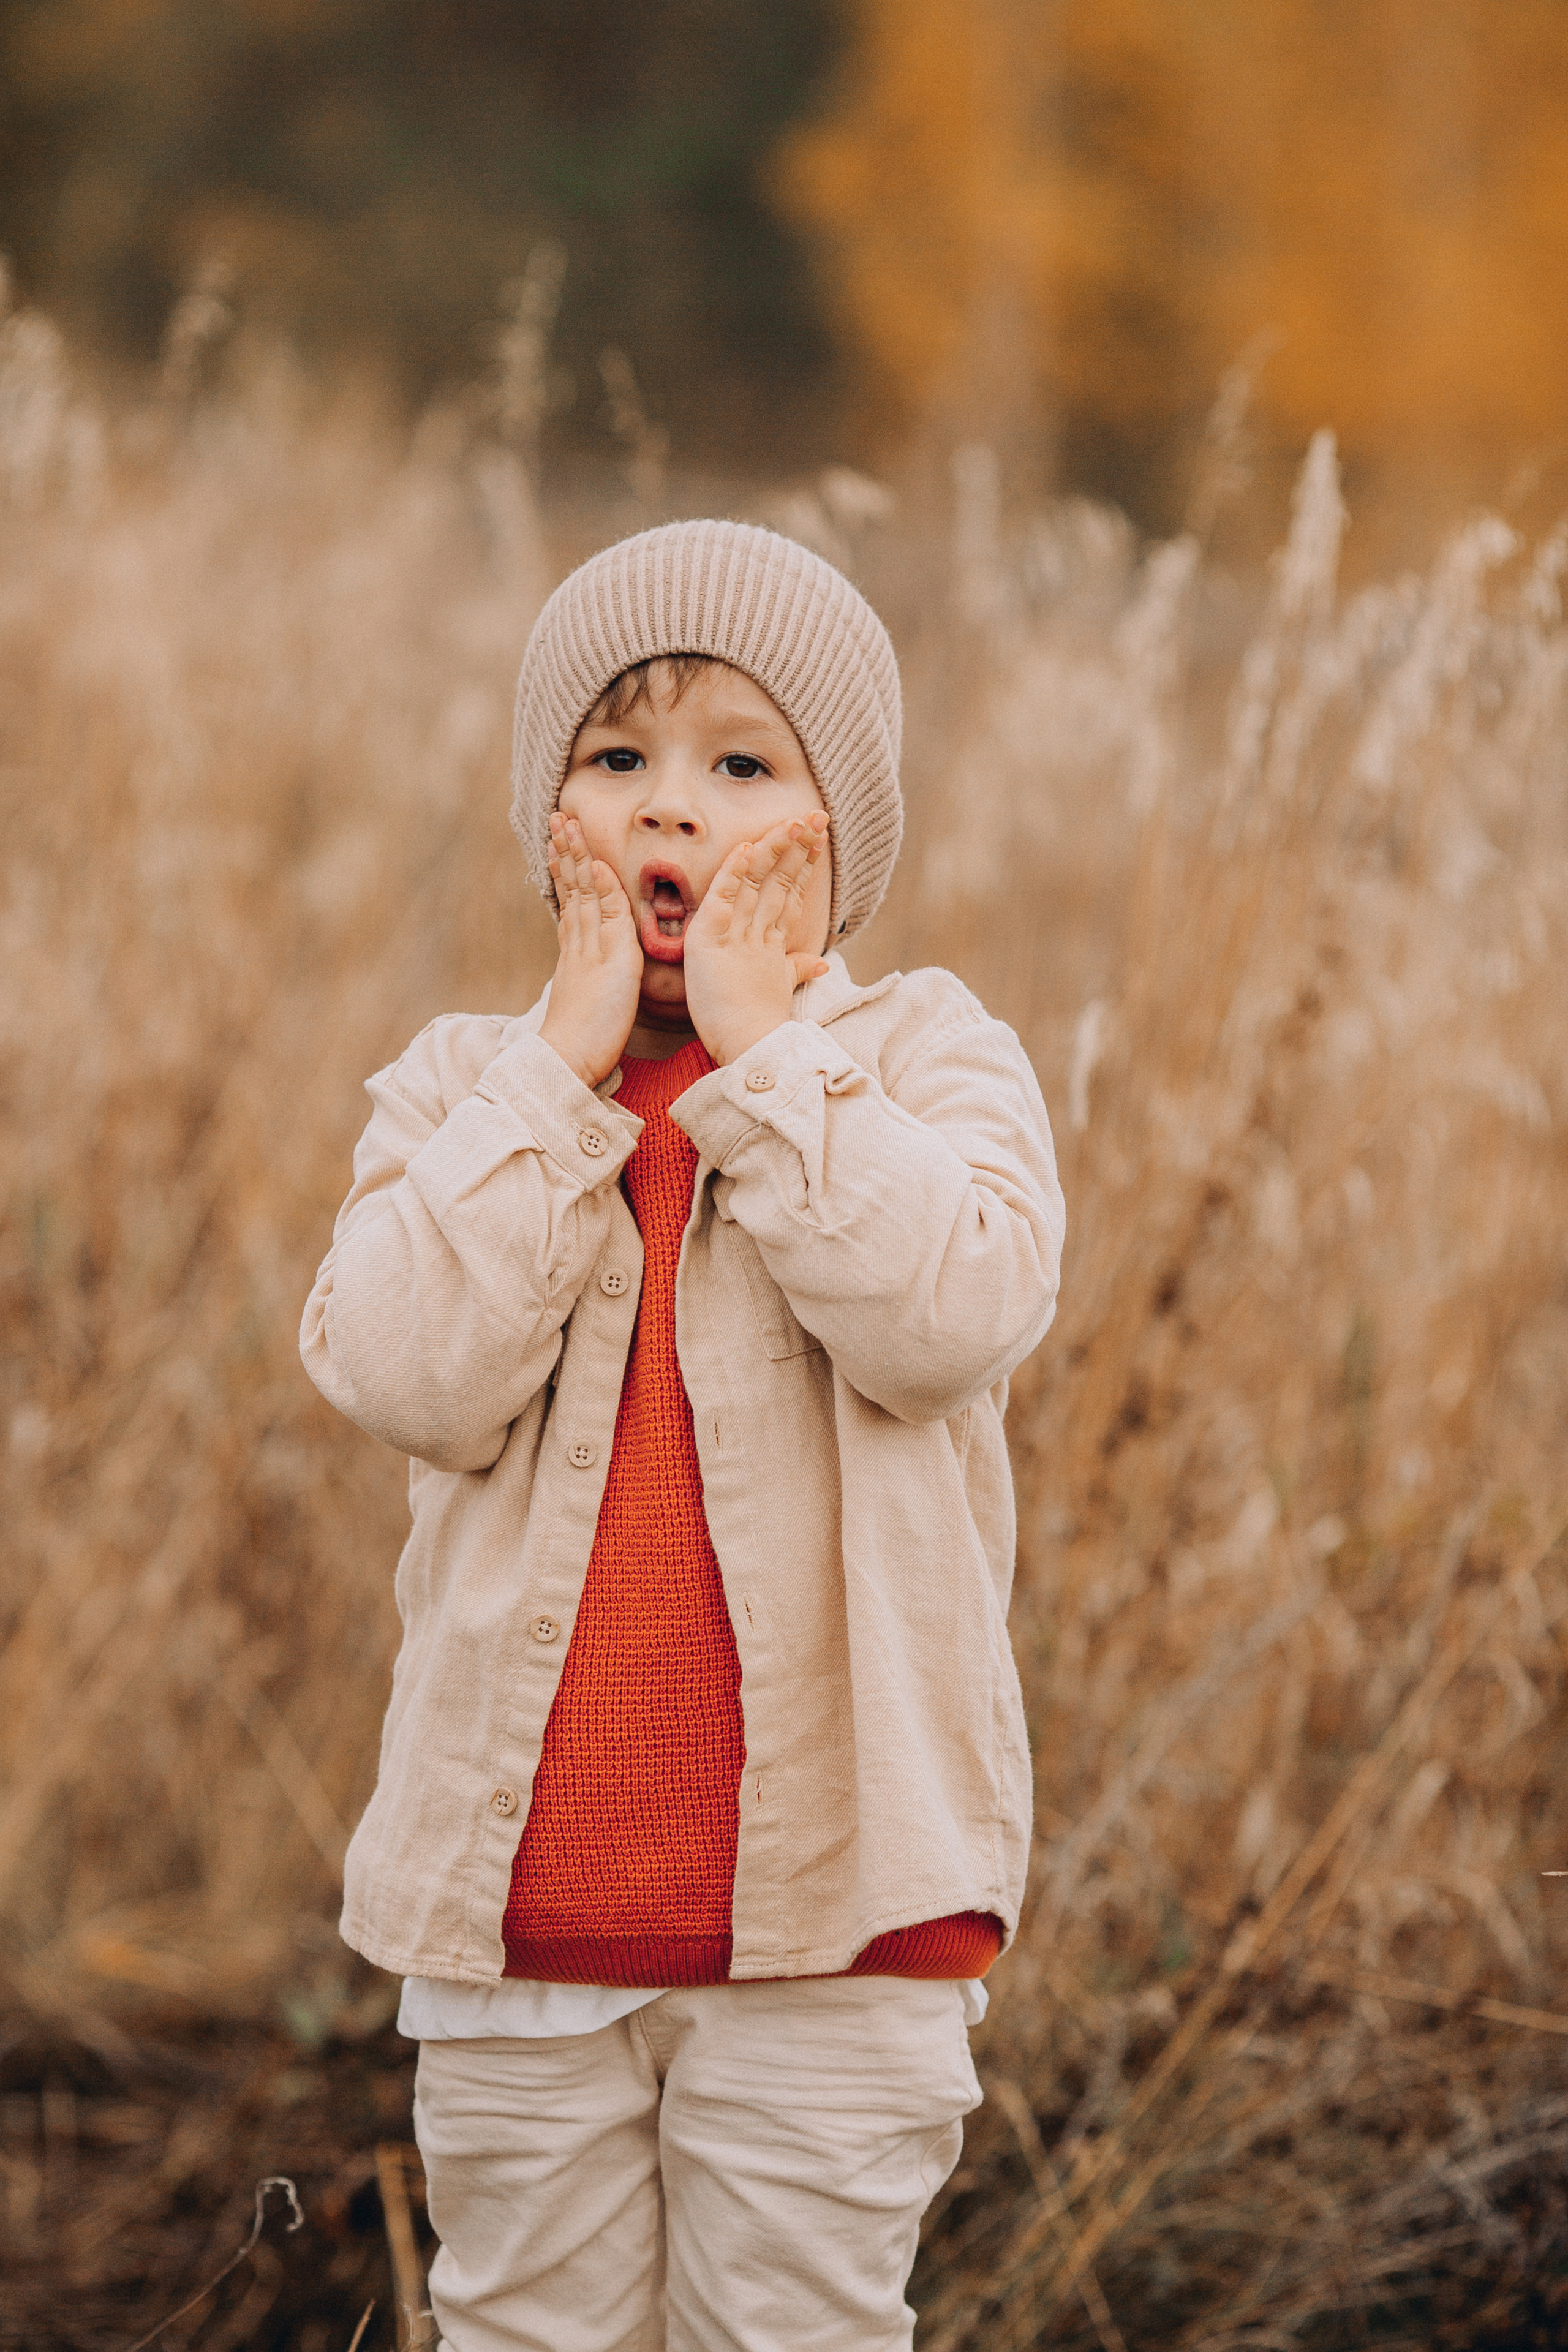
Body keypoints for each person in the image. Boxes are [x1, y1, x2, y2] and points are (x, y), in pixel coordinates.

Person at [301, 519, 1065, 2351]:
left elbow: (951, 1316)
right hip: (519, 1932)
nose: (672, 812)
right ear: (545, 812)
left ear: (839, 833)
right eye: (617, 759)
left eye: (741, 766)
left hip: (838, 1934)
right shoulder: (463, 1092)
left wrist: (761, 1049)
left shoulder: (926, 1066)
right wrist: (559, 1072)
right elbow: (397, 1367)